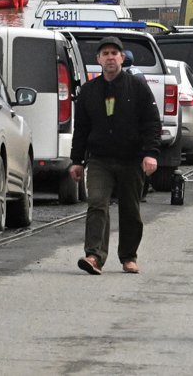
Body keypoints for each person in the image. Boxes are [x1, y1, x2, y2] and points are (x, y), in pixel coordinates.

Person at [69, 37, 161, 275]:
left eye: (114, 53)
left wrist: (150, 153)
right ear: (98, 59)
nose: (110, 57)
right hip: (100, 159)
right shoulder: (89, 91)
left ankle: (129, 256)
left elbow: (151, 123)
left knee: (130, 209)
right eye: (105, 53)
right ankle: (94, 256)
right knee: (97, 203)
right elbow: (81, 129)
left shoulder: (137, 87)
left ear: (122, 58)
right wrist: (76, 160)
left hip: (131, 159)